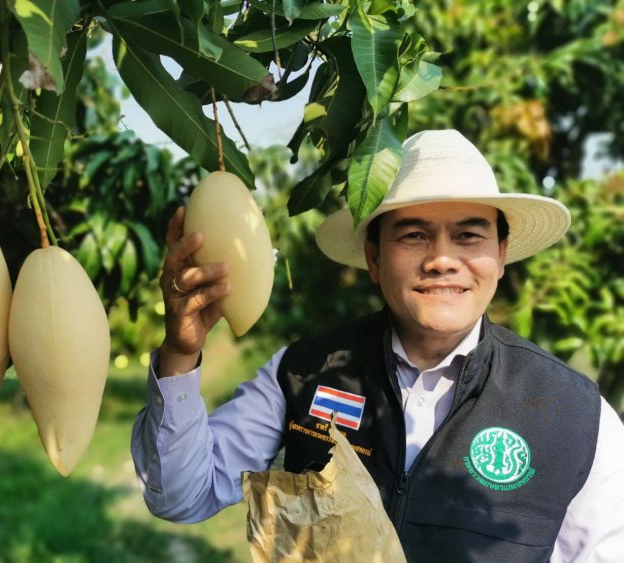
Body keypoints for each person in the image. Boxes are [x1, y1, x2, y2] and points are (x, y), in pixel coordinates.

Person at [131, 129, 624, 561]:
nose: (442, 260)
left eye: (469, 236)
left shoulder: (576, 415)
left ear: (500, 255)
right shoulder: (305, 373)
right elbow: (180, 494)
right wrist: (180, 353)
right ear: (373, 257)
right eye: (414, 235)